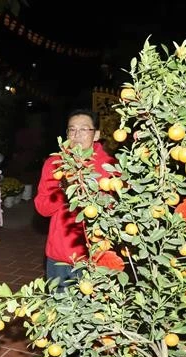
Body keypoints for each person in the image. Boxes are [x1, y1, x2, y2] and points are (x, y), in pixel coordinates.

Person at [34, 109, 115, 289]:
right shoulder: (54, 164)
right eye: (72, 130)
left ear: (96, 135)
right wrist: (63, 190)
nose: (77, 135)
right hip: (60, 255)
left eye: (84, 129)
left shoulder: (109, 167)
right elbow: (42, 208)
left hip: (96, 255)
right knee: (59, 311)